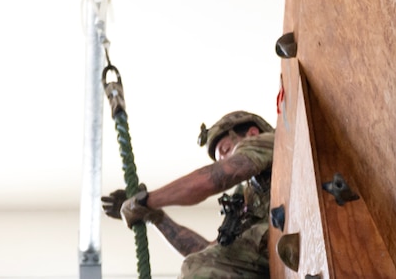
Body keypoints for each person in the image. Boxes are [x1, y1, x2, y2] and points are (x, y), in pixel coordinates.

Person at [102, 110, 276, 279]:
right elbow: (210, 256)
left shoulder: (271, 143)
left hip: (289, 242)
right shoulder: (249, 196)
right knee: (196, 265)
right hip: (274, 259)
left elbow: (210, 180)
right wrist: (155, 217)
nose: (224, 161)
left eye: (225, 149)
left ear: (252, 133)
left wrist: (146, 201)